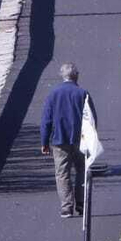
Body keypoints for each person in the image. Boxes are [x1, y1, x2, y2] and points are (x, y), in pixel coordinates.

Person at [39, 63, 95, 218]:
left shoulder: (53, 94)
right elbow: (92, 118)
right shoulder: (82, 93)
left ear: (62, 76)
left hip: (59, 140)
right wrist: (92, 139)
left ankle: (66, 207)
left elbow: (46, 121)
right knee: (82, 171)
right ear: (76, 76)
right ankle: (81, 203)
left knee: (62, 174)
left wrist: (44, 142)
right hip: (81, 140)